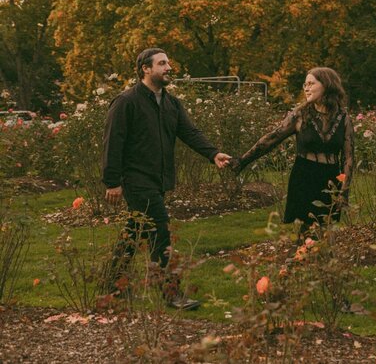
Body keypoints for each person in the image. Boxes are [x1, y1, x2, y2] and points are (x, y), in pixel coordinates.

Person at [102, 47, 231, 311]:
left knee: (133, 231)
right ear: (145, 69)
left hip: (159, 180)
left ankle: (112, 285)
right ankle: (172, 294)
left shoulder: (171, 103)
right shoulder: (127, 102)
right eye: (162, 63)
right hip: (136, 180)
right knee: (160, 232)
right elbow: (112, 142)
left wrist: (214, 153)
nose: (169, 68)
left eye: (168, 63)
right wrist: (112, 181)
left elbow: (190, 132)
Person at [233, 67, 354, 237]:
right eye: (305, 84)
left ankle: (321, 262)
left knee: (326, 233)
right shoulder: (300, 115)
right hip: (304, 177)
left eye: (311, 83)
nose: (306, 88)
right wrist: (242, 161)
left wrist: (344, 192)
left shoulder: (344, 119)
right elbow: (271, 139)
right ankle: (301, 261)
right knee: (305, 233)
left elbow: (348, 158)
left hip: (330, 180)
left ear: (327, 85)